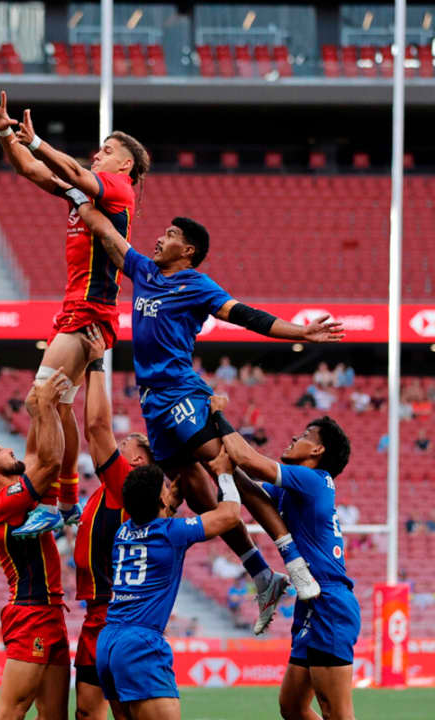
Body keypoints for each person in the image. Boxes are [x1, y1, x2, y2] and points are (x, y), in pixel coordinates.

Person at [71, 196, 342, 632]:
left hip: (182, 393)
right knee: (199, 494)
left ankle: (294, 565)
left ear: (188, 250)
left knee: (233, 471)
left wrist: (300, 332)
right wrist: (76, 195)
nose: (160, 238)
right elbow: (107, 234)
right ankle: (262, 575)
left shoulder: (197, 285)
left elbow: (247, 316)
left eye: (171, 235)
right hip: (152, 403)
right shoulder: (144, 271)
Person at [0, 88, 149, 535]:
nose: (98, 154)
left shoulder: (117, 188)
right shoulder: (85, 194)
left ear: (125, 165)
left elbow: (68, 168)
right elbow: (31, 170)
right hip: (76, 307)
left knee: (40, 400)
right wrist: (5, 136)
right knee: (61, 405)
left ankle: (49, 501)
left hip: (89, 310)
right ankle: (69, 499)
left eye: (107, 151)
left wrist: (34, 140)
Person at [210, 397, 360, 720]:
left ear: (317, 450)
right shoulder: (296, 489)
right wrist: (222, 468)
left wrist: (217, 414)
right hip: (312, 601)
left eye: (305, 435)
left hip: (330, 602)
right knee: (292, 707)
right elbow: (253, 495)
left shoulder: (313, 481)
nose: (294, 437)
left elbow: (246, 458)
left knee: (336, 712)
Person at [0, 369, 71, 720]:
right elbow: (50, 463)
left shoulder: (16, 493)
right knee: (11, 712)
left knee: (54, 715)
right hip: (30, 613)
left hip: (52, 611)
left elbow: (37, 454)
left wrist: (38, 409)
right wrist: (45, 409)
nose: (9, 448)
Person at [96, 460, 242, 719]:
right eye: (165, 488)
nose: (168, 490)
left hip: (109, 642)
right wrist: (224, 474)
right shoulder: (172, 533)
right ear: (160, 500)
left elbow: (157, 516)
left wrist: (170, 497)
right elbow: (229, 515)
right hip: (140, 643)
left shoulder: (123, 532)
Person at [72, 325, 154, 720]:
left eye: (124, 449)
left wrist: (95, 364)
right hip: (96, 613)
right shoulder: (104, 491)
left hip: (116, 613)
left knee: (125, 713)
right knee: (87, 712)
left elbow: (97, 429)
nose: (114, 453)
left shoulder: (128, 485)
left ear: (137, 461)